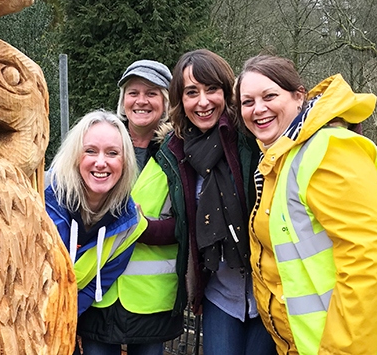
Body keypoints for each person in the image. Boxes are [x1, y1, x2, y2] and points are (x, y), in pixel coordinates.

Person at [235, 54, 377, 354]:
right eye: (247, 101)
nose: (258, 109)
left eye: (270, 96)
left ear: (298, 97)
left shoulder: (328, 150)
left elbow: (365, 258)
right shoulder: (281, 159)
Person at [156, 49, 276, 355]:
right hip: (219, 293)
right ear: (180, 99)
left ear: (227, 91)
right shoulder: (175, 152)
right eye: (192, 92)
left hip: (270, 290)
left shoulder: (253, 138)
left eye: (212, 89)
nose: (203, 102)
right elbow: (179, 223)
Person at [76, 60, 184, 355]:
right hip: (97, 291)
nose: (141, 100)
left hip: (151, 298)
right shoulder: (99, 144)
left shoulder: (180, 152)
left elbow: (187, 224)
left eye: (151, 93)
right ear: (123, 100)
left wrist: (141, 227)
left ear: (166, 100)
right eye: (133, 92)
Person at [45, 110, 148, 352]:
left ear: (125, 162)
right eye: (90, 151)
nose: (101, 162)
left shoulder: (129, 225)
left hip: (59, 326)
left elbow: (93, 286)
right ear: (75, 155)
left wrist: (59, 320)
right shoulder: (40, 193)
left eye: (112, 153)